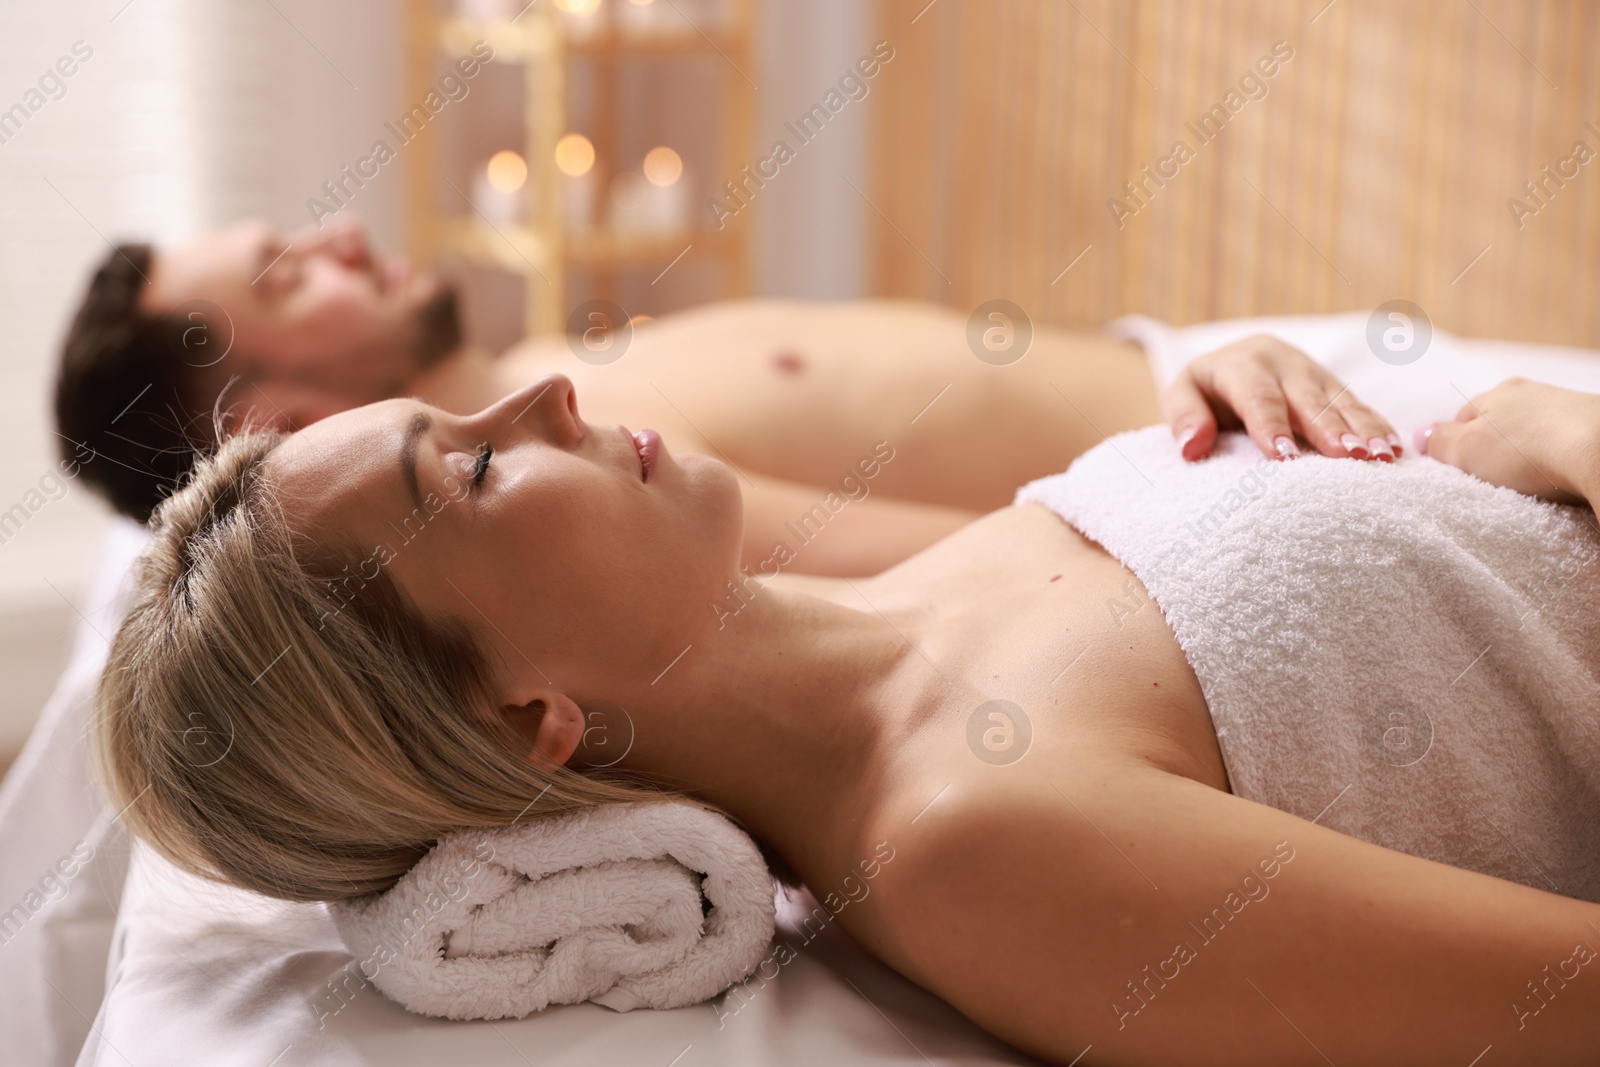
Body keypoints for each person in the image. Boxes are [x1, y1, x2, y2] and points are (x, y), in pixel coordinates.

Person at [93, 330, 1600, 1064]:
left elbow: (1321, 606)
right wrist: (1572, 434)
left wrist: (1259, 392)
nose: (545, 393)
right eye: (475, 469)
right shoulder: (970, 837)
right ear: (517, 714)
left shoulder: (877, 599)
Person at [53, 216, 1407, 575]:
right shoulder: (593, 459)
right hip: (1281, 448)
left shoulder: (548, 381)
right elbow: (1001, 556)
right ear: (270, 425)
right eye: (288, 275)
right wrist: (1221, 438)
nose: (342, 229)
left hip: (1238, 369)